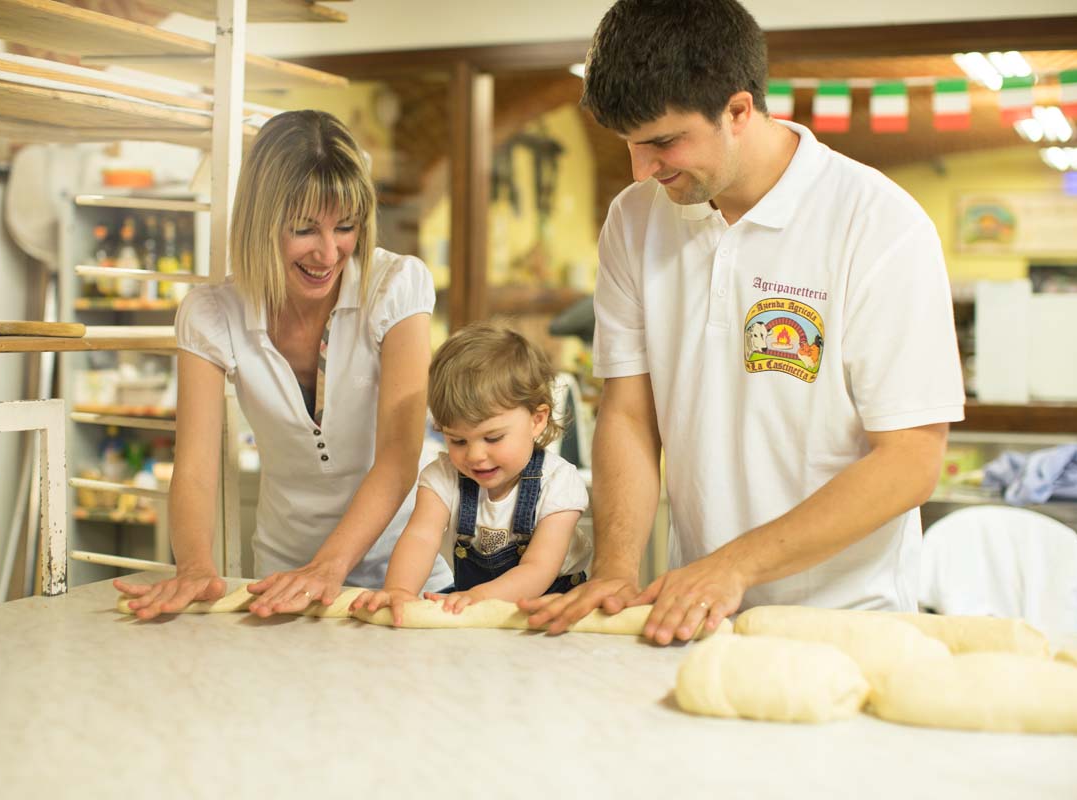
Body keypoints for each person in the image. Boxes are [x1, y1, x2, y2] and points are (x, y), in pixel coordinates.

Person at [521, 0, 965, 644]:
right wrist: (616, 569)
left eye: (663, 142)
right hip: (696, 615)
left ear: (738, 110)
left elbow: (911, 459)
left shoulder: (877, 224)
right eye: (628, 145)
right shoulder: (635, 219)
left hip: (849, 621)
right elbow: (629, 411)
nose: (643, 169)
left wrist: (733, 565)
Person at [116, 110, 451, 619]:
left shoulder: (396, 286)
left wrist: (328, 567)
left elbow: (399, 457)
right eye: (303, 229)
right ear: (260, 223)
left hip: (401, 578)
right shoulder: (211, 314)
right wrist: (193, 566)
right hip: (279, 583)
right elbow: (197, 469)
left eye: (345, 227)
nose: (328, 252)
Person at [353, 321, 591, 625]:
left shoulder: (558, 483)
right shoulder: (443, 477)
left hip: (550, 617)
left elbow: (539, 568)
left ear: (537, 419)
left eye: (492, 438)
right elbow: (420, 537)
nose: (475, 456)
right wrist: (400, 589)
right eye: (458, 440)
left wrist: (481, 597)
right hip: (476, 613)